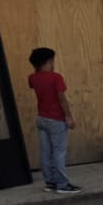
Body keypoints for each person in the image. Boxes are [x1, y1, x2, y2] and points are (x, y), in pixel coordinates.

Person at [28, 47, 81, 194]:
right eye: (52, 61)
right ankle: (62, 184)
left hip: (41, 118)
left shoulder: (32, 78)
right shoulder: (56, 77)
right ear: (49, 61)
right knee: (58, 152)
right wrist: (69, 117)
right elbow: (62, 99)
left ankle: (50, 183)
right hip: (56, 119)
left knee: (45, 152)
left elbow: (35, 85)